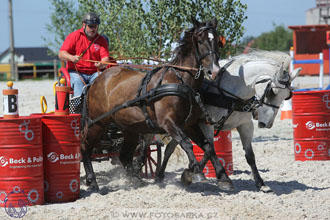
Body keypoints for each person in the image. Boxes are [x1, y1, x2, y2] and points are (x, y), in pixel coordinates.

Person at [58, 12, 110, 97]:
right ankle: (79, 107)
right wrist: (72, 58)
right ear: (84, 25)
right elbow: (61, 54)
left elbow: (105, 59)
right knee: (78, 81)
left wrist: (101, 64)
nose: (93, 29)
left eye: (95, 26)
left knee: (101, 80)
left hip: (94, 73)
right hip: (76, 72)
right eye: (90, 26)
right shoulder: (74, 36)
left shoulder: (101, 40)